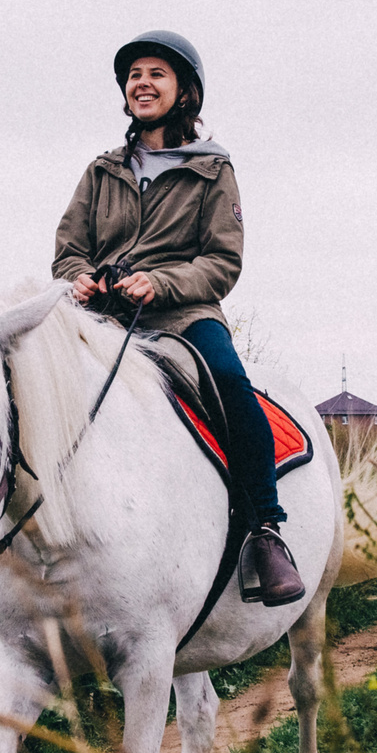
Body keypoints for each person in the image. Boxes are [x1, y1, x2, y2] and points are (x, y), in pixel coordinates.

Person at [52, 30, 306, 606]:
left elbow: (222, 260)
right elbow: (69, 249)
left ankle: (266, 531)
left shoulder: (214, 171)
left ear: (184, 92)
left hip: (184, 315)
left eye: (156, 75)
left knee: (231, 385)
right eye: (134, 76)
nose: (143, 83)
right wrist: (77, 278)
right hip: (103, 319)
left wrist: (162, 282)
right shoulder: (100, 172)